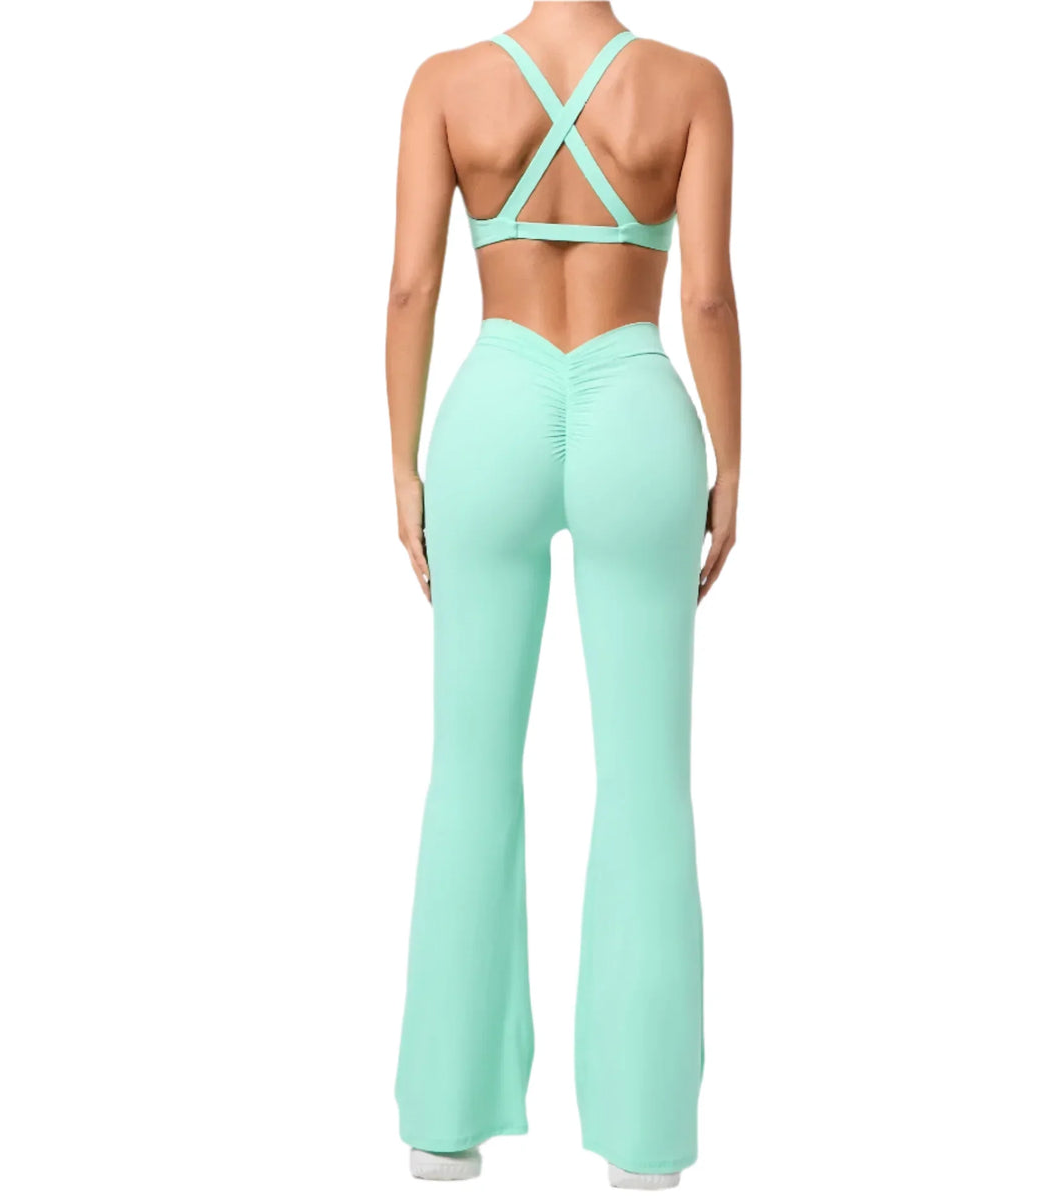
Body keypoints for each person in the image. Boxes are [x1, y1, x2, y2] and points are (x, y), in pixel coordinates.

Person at [385, 2, 739, 1189]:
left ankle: (445, 1122)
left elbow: (411, 288)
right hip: (635, 398)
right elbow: (705, 298)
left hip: (494, 401)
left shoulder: (445, 82)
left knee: (468, 772)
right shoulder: (689, 84)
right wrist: (734, 461)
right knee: (646, 784)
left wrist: (401, 465)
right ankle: (644, 1145)